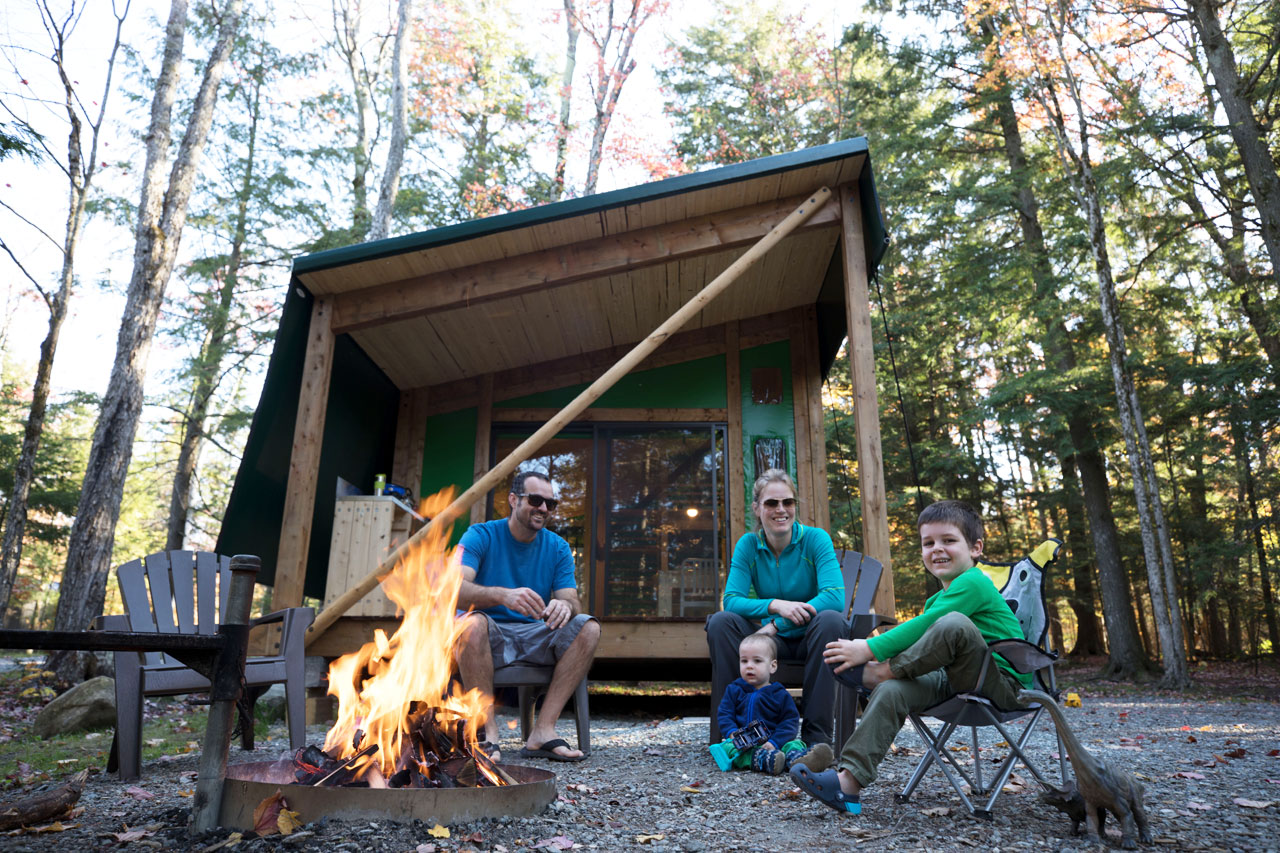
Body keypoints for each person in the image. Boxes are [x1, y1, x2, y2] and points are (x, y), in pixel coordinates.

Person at [791, 499, 1031, 815]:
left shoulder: (975, 582)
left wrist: (868, 650)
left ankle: (879, 673)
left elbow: (926, 627)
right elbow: (922, 641)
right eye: (928, 542)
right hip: (956, 681)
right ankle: (847, 784)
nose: (937, 549)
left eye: (948, 541)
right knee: (892, 691)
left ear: (975, 548)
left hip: (1001, 685)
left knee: (952, 623)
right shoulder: (936, 599)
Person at [453, 470, 601, 762]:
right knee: (471, 624)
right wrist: (503, 595)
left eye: (550, 503)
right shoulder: (480, 535)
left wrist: (566, 607)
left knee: (589, 627)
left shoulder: (557, 547)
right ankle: (487, 732)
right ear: (513, 500)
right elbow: (454, 590)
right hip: (485, 633)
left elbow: (571, 598)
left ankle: (543, 731)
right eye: (535, 500)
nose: (543, 509)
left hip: (534, 634)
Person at [706, 469, 846, 746]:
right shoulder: (748, 545)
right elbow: (732, 600)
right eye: (771, 503)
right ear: (757, 508)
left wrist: (776, 624)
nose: (781, 510)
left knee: (831, 620)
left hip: (813, 639)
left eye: (788, 502)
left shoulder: (816, 539)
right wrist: (776, 605)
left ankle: (817, 740)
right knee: (721, 622)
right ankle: (730, 736)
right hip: (773, 647)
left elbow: (834, 597)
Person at [709, 634, 835, 775]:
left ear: (772, 666)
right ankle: (766, 760)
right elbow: (725, 714)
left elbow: (789, 722)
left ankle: (799, 760)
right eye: (744, 661)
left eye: (757, 661)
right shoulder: (734, 689)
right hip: (743, 744)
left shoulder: (779, 694)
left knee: (794, 744)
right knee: (728, 749)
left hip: (774, 742)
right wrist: (731, 732)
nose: (749, 666)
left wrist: (775, 742)